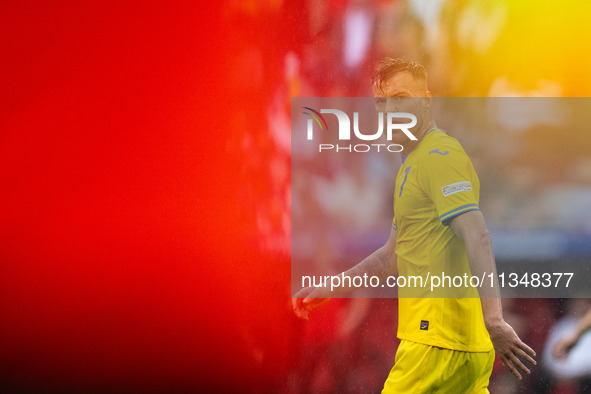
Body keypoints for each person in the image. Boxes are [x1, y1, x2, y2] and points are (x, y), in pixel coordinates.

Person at [292, 58, 536, 393]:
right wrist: (333, 286)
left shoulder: (440, 158)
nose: (390, 109)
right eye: (382, 101)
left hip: (437, 345)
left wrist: (494, 320)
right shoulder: (413, 164)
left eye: (401, 97)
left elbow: (478, 235)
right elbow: (392, 255)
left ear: (426, 99)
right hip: (456, 346)